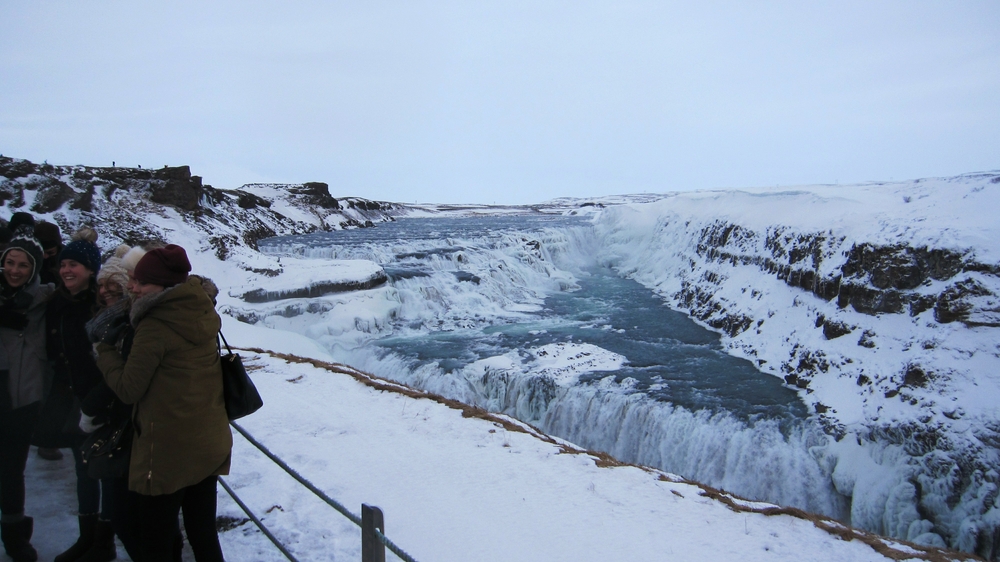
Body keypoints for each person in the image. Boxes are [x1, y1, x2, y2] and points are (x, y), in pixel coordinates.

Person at [96, 244, 231, 562]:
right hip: (208, 442)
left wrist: (104, 353)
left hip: (169, 452)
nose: (132, 287)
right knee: (202, 534)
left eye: (141, 283)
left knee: (155, 539)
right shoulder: (201, 309)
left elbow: (129, 389)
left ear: (163, 287)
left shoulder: (155, 326)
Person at [43, 229, 118, 562]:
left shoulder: (100, 306)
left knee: (106, 471)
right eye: (63, 264)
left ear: (90, 270)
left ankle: (104, 542)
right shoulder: (55, 303)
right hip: (74, 400)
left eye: (74, 264)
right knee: (83, 470)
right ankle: (87, 539)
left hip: (104, 401)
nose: (66, 270)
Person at [0, 233, 54, 562]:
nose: (15, 271)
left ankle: (14, 534)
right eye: (9, 263)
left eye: (23, 265)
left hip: (23, 397)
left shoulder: (44, 300)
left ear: (34, 270)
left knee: (11, 471)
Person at [32, 221, 65, 462]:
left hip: (56, 334)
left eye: (51, 248)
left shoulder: (62, 263)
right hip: (34, 333)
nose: (47, 252)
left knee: (54, 389)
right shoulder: (32, 262)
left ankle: (47, 439)